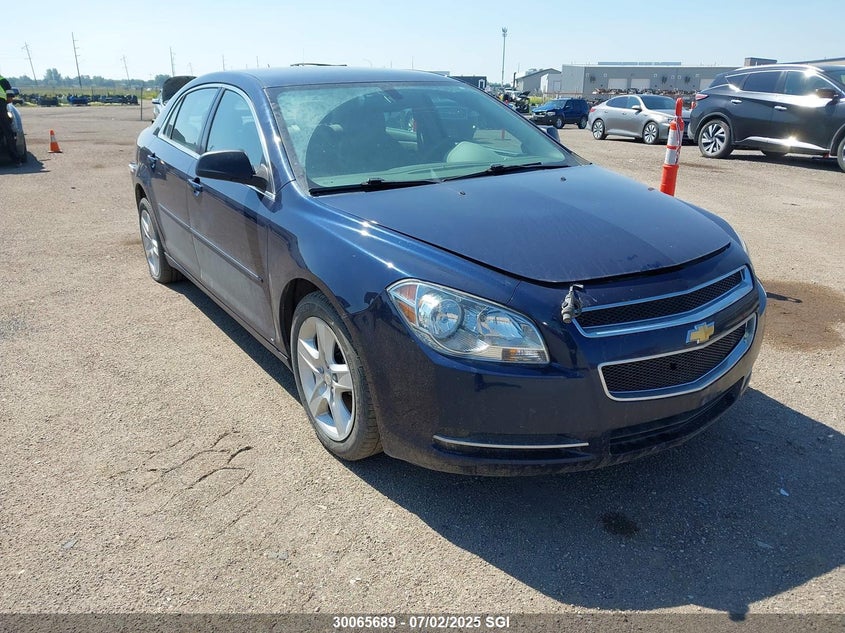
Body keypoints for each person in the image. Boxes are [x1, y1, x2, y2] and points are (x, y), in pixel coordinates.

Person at [0, 73, 22, 163]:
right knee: (8, 132)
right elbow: (9, 99)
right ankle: (16, 159)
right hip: (1, 107)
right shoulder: (3, 80)